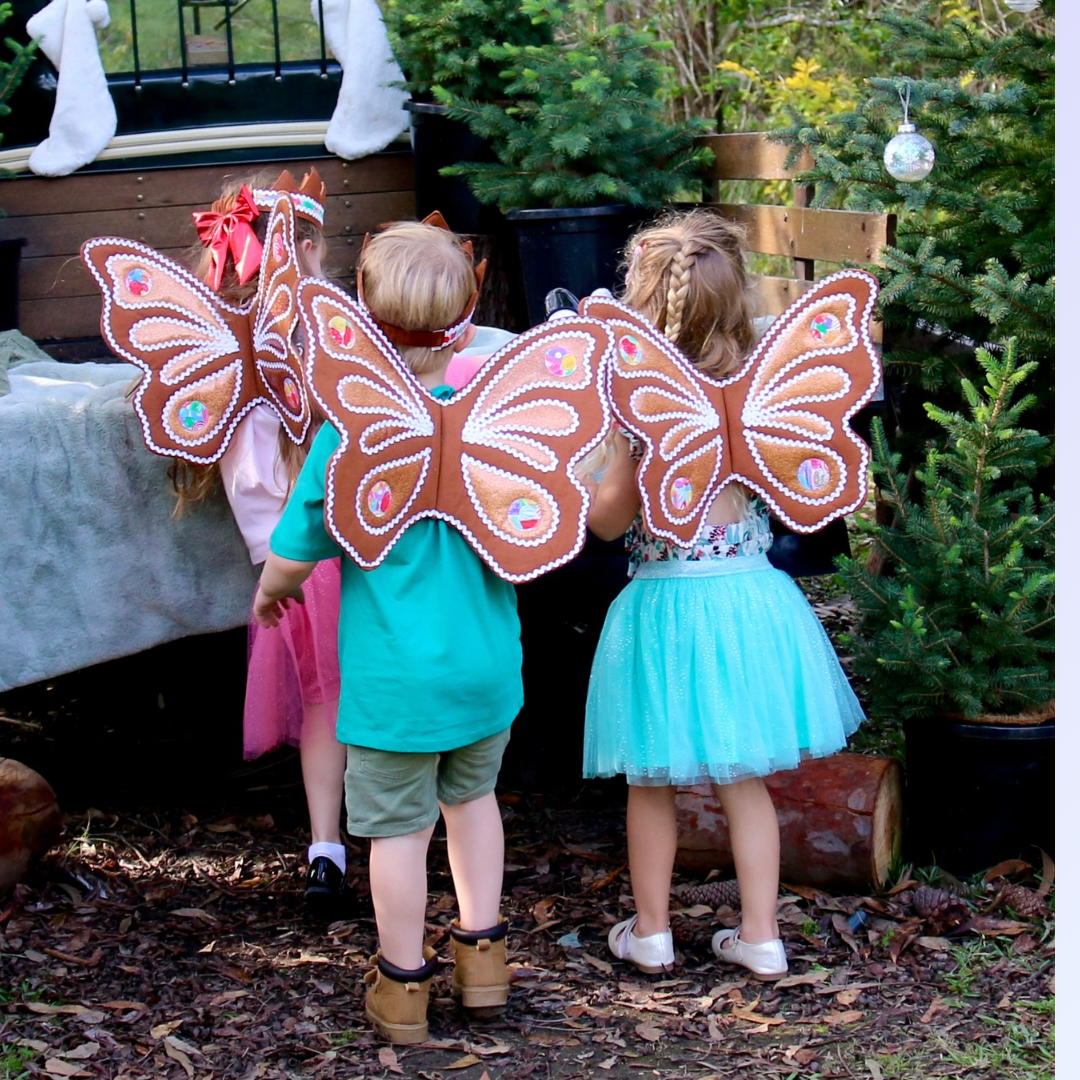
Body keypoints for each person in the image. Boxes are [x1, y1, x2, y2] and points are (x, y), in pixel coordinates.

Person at [252, 219, 521, 1045]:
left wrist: (271, 595)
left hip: (395, 688)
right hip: (485, 675)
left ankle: (404, 986)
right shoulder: (496, 421)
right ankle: (484, 964)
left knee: (398, 834)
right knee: (474, 804)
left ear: (363, 321)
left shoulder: (353, 433)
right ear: (467, 321)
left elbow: (295, 548)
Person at [582, 209, 865, 980]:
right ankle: (763, 937)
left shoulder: (636, 406)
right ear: (737, 297)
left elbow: (607, 524)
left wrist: (598, 469)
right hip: (747, 604)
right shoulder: (760, 387)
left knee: (650, 783)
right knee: (746, 783)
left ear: (643, 303)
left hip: (666, 607)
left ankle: (650, 933)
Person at [171, 168, 351, 919]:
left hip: (285, 562)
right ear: (304, 249)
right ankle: (389, 827)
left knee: (323, 705)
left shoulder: (205, 352)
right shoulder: (319, 340)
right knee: (355, 699)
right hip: (339, 556)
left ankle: (327, 846)